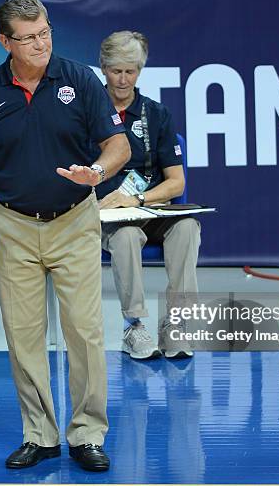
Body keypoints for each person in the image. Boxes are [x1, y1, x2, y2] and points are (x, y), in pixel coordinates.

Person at [0, 0, 130, 472]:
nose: (40, 44)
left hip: (74, 220)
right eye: (28, 37)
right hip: (13, 225)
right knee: (23, 335)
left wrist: (97, 172)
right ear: (5, 41)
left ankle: (87, 435)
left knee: (85, 331)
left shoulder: (80, 80)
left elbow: (117, 145)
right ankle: (39, 434)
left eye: (45, 33)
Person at [95, 31, 201, 360]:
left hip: (149, 208)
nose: (123, 79)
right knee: (126, 236)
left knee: (187, 228)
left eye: (131, 71)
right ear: (103, 69)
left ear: (140, 71)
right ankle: (134, 326)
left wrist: (139, 200)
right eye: (116, 71)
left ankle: (176, 325)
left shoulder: (157, 114)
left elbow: (177, 183)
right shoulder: (86, 111)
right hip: (106, 216)